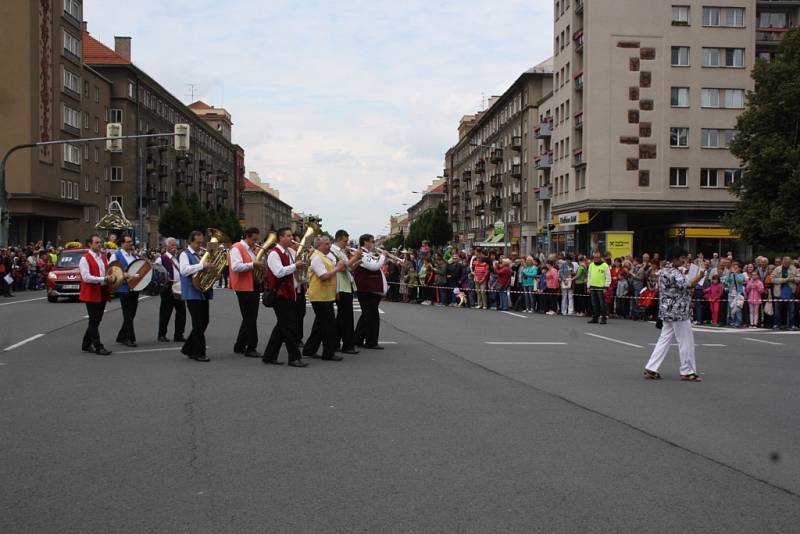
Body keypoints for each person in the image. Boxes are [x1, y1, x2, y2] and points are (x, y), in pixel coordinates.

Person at [644, 247, 705, 381]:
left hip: (667, 310)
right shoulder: (673, 272)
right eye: (682, 258)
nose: (684, 261)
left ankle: (651, 367)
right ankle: (687, 371)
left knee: (664, 339)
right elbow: (688, 284)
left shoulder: (665, 270)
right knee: (686, 341)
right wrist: (700, 276)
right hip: (679, 311)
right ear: (675, 258)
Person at [263, 227, 308, 367]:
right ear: (280, 238)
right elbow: (279, 272)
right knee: (289, 327)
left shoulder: (290, 251)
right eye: (288, 236)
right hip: (280, 294)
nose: (291, 238)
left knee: (281, 327)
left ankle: (269, 356)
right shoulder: (273, 254)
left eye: (291, 236)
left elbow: (296, 267)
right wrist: (296, 265)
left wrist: (305, 261)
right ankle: (294, 358)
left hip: (290, 292)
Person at [302, 235, 346, 361]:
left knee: (320, 325)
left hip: (325, 295)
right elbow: (323, 276)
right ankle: (328, 353)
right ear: (318, 245)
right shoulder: (316, 257)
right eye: (326, 244)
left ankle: (309, 350)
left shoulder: (323, 257)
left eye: (329, 244)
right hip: (319, 296)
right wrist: (337, 268)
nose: (329, 246)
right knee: (329, 326)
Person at [229, 227, 265, 357]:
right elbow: (236, 266)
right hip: (243, 287)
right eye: (254, 239)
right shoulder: (237, 248)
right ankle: (251, 347)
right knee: (250, 318)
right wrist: (253, 264)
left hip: (252, 285)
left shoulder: (250, 250)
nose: (256, 242)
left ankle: (239, 345)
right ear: (247, 237)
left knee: (249, 317)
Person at [179, 230, 214, 362]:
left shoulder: (200, 255)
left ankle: (188, 348)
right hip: (191, 292)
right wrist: (201, 265)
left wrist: (212, 272)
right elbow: (184, 270)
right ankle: (199, 352)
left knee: (204, 321)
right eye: (198, 242)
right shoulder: (184, 254)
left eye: (201, 242)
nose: (200, 245)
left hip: (202, 292)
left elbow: (201, 272)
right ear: (190, 242)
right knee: (198, 323)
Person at [79, 234, 113, 355]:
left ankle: (86, 344)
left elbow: (109, 270)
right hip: (91, 292)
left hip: (102, 290)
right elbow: (86, 277)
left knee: (97, 319)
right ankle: (98, 346)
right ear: (90, 244)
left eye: (100, 242)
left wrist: (112, 277)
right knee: (94, 320)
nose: (99, 244)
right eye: (97, 242)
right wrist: (103, 279)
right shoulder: (85, 258)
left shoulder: (103, 257)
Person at [353, 234, 387, 349]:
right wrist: (382, 257)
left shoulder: (367, 254)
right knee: (372, 317)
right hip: (367, 289)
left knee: (366, 316)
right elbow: (374, 267)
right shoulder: (361, 253)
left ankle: (357, 339)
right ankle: (371, 342)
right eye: (372, 241)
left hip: (369, 289)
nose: (374, 244)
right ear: (366, 242)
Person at [330, 230, 361, 354]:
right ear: (338, 239)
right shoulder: (334, 250)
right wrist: (355, 257)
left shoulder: (341, 251)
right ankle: (347, 345)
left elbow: (350, 268)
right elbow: (343, 267)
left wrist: (359, 260)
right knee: (346, 318)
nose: (346, 243)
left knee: (342, 318)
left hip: (346, 285)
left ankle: (336, 343)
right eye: (345, 241)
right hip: (341, 286)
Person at [113, 234, 142, 347]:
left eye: (131, 242)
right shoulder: (116, 256)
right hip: (124, 288)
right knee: (128, 314)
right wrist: (123, 275)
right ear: (122, 243)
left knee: (132, 313)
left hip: (134, 288)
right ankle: (129, 338)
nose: (131, 244)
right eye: (128, 242)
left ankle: (121, 336)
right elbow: (112, 271)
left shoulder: (134, 256)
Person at [155, 237, 186, 343]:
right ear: (166, 246)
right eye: (172, 245)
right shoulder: (161, 259)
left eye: (175, 245)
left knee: (182, 312)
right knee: (165, 312)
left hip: (178, 289)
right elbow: (156, 273)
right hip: (167, 289)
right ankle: (161, 334)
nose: (174, 247)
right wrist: (165, 278)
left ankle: (179, 334)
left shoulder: (176, 258)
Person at [771, 256, 798, 331]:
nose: (787, 263)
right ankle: (777, 324)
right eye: (785, 262)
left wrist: (792, 279)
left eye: (788, 262)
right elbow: (772, 279)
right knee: (777, 310)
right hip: (778, 292)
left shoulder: (794, 269)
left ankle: (791, 325)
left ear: (790, 262)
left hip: (790, 292)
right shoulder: (777, 269)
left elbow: (798, 279)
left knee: (791, 310)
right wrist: (783, 280)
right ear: (782, 262)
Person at [587, 251, 611, 324]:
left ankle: (603, 318)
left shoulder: (605, 265)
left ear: (601, 258)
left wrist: (606, 287)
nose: (596, 259)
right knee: (594, 304)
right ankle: (595, 318)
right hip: (593, 287)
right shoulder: (591, 265)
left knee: (602, 304)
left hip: (601, 288)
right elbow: (589, 276)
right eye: (594, 257)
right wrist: (588, 286)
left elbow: (608, 277)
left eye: (597, 257)